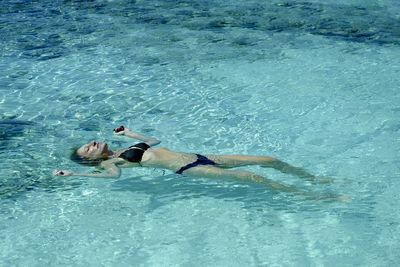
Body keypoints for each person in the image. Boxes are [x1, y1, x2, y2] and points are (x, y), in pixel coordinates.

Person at [53, 125, 332, 194]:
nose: (90, 144)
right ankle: (310, 196)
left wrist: (129, 133)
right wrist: (75, 175)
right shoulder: (109, 163)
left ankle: (314, 179)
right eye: (87, 149)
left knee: (267, 159)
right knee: (253, 177)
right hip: (187, 167)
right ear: (92, 160)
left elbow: (153, 142)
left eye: (88, 144)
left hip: (200, 156)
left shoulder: (121, 148)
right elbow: (111, 177)